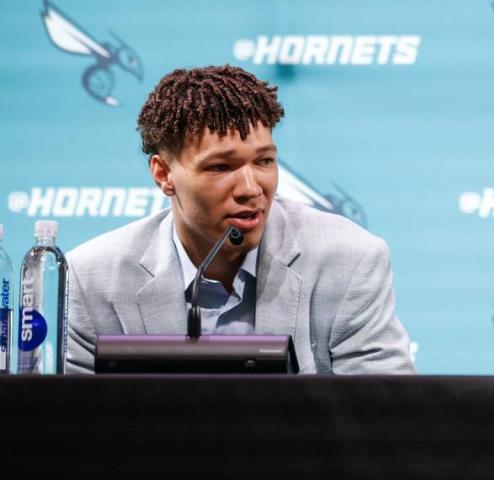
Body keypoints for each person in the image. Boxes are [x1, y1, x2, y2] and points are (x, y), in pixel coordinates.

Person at [66, 65, 415, 374]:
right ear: (163, 174)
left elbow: (384, 422)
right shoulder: (93, 278)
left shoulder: (348, 260)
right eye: (220, 167)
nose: (251, 189)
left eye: (264, 162)